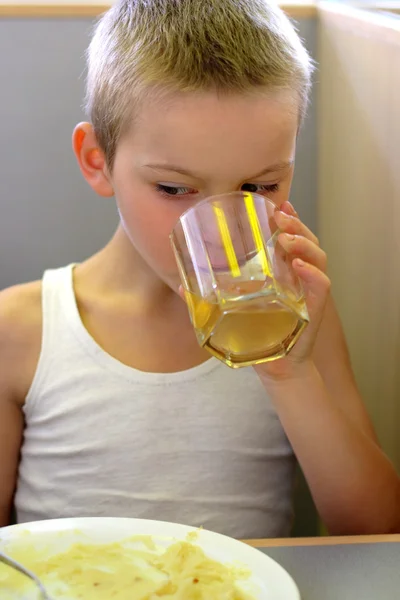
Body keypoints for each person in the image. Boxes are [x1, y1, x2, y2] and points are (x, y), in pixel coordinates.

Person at [0, 0, 399, 537]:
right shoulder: (21, 330)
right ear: (98, 160)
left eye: (260, 187)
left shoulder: (299, 320)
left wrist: (289, 372)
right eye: (174, 189)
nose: (222, 231)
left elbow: (376, 533)